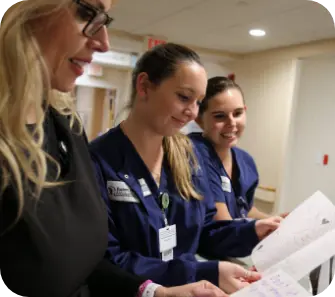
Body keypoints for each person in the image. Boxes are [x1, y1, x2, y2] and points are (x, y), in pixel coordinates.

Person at [0, 1, 230, 297]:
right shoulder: (102, 158)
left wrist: (155, 292)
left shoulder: (66, 127)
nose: (104, 42)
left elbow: (87, 261)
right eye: (87, 13)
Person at [89, 43, 282, 295]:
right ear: (144, 86)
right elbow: (106, 259)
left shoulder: (188, 158)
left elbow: (206, 231)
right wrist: (200, 273)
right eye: (183, 97)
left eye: (198, 102)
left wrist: (254, 231)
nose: (192, 113)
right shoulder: (98, 161)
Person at [189, 76, 286, 220]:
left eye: (237, 113)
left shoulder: (245, 160)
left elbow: (244, 209)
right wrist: (259, 229)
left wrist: (277, 221)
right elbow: (222, 223)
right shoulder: (193, 154)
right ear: (199, 119)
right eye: (220, 116)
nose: (232, 123)